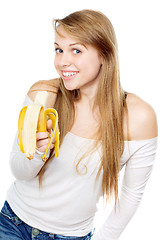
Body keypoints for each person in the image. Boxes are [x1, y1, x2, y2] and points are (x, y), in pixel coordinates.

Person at [0, 9, 158, 240]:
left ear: (104, 55)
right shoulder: (44, 94)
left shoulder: (138, 116)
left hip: (70, 236)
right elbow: (19, 171)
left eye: (76, 50)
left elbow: (131, 196)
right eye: (58, 50)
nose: (63, 61)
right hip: (12, 224)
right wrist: (37, 153)